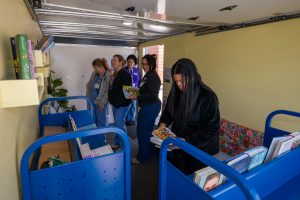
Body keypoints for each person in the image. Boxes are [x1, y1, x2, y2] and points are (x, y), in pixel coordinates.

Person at [158, 58, 220, 174]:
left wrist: (187, 141)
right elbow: (168, 112)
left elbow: (211, 128)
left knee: (192, 182)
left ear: (192, 76)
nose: (179, 85)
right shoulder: (176, 91)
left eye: (181, 81)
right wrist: (162, 125)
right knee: (177, 174)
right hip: (179, 144)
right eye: (176, 81)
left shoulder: (207, 97)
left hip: (199, 149)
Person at [129, 54, 161, 164]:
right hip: (148, 106)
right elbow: (144, 89)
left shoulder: (153, 76)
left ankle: (142, 158)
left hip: (151, 107)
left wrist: (136, 96)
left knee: (142, 131)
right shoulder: (147, 75)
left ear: (152, 64)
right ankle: (149, 153)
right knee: (147, 131)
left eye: (146, 64)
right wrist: (134, 91)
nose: (143, 66)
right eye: (142, 64)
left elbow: (152, 95)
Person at [108, 54, 132, 148]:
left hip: (122, 105)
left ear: (121, 62)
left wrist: (118, 103)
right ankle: (117, 143)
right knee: (118, 125)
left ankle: (124, 146)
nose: (113, 62)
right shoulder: (116, 73)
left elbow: (127, 93)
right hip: (116, 104)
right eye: (112, 60)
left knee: (120, 125)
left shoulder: (125, 73)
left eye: (115, 60)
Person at [86, 58, 111, 127]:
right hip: (92, 100)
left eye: (96, 69)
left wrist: (102, 103)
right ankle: (96, 136)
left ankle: (102, 137)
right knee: (93, 119)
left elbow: (107, 92)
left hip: (101, 103)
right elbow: (89, 84)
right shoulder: (95, 73)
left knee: (101, 121)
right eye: (94, 69)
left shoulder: (108, 75)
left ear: (102, 67)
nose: (95, 71)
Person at [125, 54, 140, 126]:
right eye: (128, 62)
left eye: (131, 62)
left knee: (133, 106)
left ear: (134, 63)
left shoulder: (136, 70)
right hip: (127, 89)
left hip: (135, 89)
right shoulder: (124, 70)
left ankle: (132, 119)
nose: (129, 63)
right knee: (128, 105)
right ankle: (127, 119)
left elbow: (138, 80)